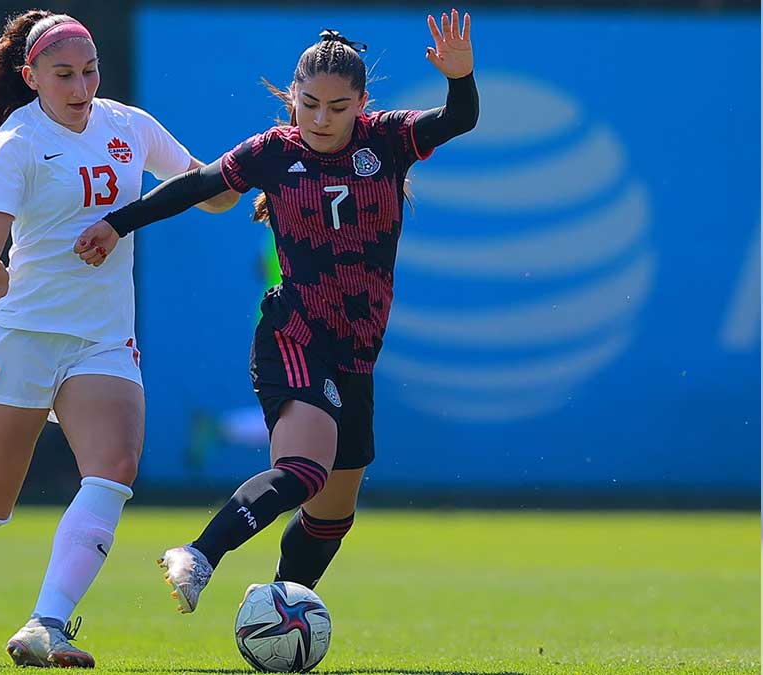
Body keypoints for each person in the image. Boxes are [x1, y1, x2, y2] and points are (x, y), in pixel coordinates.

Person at [74, 11, 478, 614]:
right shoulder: (272, 151)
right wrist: (115, 222)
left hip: (358, 354)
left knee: (331, 517)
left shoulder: (388, 140)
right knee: (304, 469)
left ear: (363, 103)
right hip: (294, 334)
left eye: (338, 107)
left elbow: (460, 117)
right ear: (292, 97)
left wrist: (460, 78)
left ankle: (282, 610)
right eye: (309, 103)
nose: (321, 119)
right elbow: (194, 186)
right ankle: (199, 555)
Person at [0, 9, 238, 667]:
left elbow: (201, 185)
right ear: (33, 76)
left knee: (113, 472)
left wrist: (254, 178)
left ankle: (46, 623)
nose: (81, 86)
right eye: (64, 74)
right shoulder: (18, 141)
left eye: (90, 71)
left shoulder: (128, 126)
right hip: (20, 332)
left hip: (101, 339)